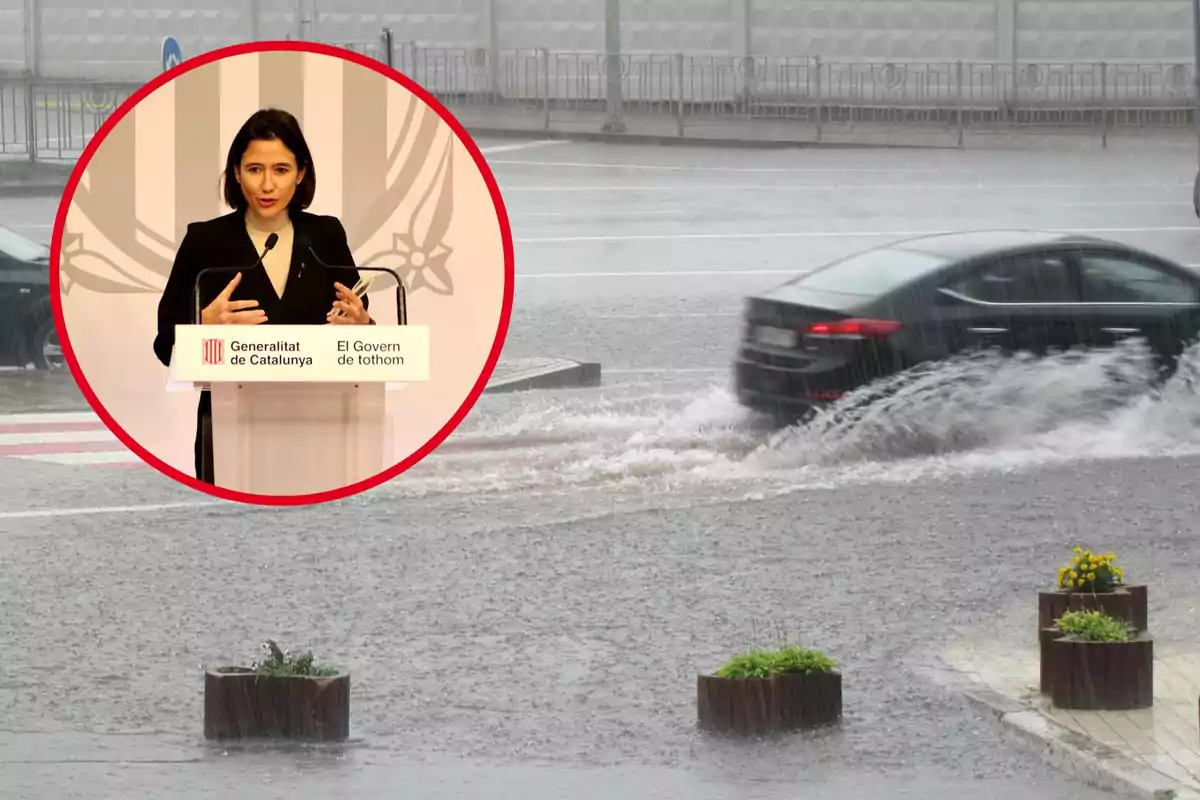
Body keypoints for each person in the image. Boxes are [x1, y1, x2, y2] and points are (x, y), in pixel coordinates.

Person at [152, 107, 373, 484]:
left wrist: (363, 323)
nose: (267, 186)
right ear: (236, 173)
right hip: (230, 426)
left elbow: (358, 323)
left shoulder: (326, 237)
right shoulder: (204, 242)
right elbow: (163, 344)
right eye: (255, 170)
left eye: (281, 170)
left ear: (301, 173)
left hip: (317, 424)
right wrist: (200, 325)